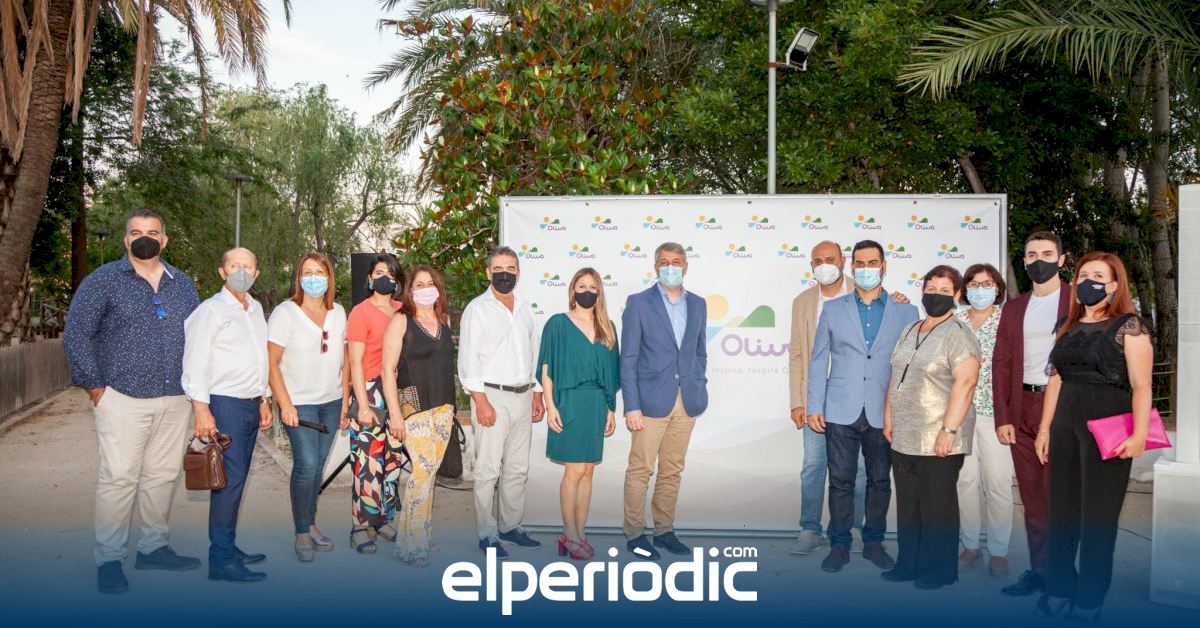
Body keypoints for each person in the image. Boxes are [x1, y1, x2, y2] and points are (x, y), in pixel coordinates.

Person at [63, 209, 203, 594]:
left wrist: (199, 394)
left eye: (153, 232)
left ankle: (153, 547)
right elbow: (76, 334)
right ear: (126, 239)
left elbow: (199, 337)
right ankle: (109, 559)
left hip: (174, 398)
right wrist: (96, 388)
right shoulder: (103, 281)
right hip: (121, 398)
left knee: (163, 476)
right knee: (119, 478)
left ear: (164, 240)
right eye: (137, 232)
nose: (145, 238)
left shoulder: (182, 284)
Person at [1034, 252, 1153, 621]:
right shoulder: (1066, 326)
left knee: (1097, 519)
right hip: (1065, 425)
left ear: (1114, 285)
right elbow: (1055, 380)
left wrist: (1140, 435)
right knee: (1061, 513)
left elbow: (1141, 385)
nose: (1088, 281)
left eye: (1098, 276)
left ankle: (1089, 600)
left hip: (1109, 425)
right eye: (1083, 274)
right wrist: (1044, 428)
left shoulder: (1129, 326)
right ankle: (1059, 588)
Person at [807, 239, 918, 573]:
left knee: (879, 481)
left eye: (873, 263)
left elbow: (910, 365)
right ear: (851, 267)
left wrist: (905, 410)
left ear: (884, 267)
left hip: (885, 410)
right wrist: (814, 405)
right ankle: (839, 544)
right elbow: (818, 360)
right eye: (860, 263)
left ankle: (873, 542)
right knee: (840, 481)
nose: (866, 269)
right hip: (840, 408)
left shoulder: (906, 311)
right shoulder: (833, 309)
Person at [789, 240, 899, 555]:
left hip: (860, 399)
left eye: (830, 258)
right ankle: (809, 529)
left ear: (842, 261)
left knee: (860, 470)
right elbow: (799, 355)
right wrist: (799, 401)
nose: (824, 265)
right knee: (813, 464)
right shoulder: (803, 302)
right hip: (817, 397)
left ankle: (853, 528)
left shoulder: (870, 294)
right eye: (817, 260)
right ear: (811, 265)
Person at [883, 265, 981, 590]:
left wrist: (948, 430)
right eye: (931, 288)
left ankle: (938, 571)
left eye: (944, 290)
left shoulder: (959, 334)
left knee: (937, 507)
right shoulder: (911, 328)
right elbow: (897, 372)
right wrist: (888, 415)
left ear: (956, 295)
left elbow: (966, 383)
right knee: (909, 505)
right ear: (922, 290)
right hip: (904, 435)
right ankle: (908, 564)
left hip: (939, 436)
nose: (935, 295)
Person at [182, 247, 272, 583]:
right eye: (234, 265)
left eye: (248, 266)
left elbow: (260, 359)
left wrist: (264, 399)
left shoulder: (256, 309)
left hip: (251, 402)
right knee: (227, 482)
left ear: (256, 273)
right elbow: (195, 361)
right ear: (222, 272)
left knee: (236, 481)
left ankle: (228, 547)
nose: (241, 271)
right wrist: (201, 409)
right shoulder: (210, 311)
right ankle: (220, 560)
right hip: (224, 404)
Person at [993, 231, 1072, 596]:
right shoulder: (1014, 308)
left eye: (1047, 253)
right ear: (1024, 261)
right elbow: (1002, 365)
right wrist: (1004, 417)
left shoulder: (1077, 301)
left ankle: (1064, 574)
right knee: (1033, 498)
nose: (1039, 260)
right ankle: (1040, 570)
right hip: (1022, 406)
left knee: (1061, 496)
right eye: (1032, 254)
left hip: (1064, 409)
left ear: (1062, 259)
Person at [620, 242, 709, 561]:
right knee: (640, 469)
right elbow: (628, 358)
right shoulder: (639, 303)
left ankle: (664, 530)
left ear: (686, 266)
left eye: (676, 261)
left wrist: (698, 382)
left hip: (687, 401)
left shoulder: (698, 304)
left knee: (672, 469)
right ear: (656, 266)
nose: (671, 267)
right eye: (664, 262)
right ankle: (634, 534)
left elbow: (700, 351)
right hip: (649, 402)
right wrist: (632, 405)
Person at [459, 246, 546, 559]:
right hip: (491, 397)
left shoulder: (524, 309)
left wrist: (537, 393)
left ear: (519, 272)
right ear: (488, 273)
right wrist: (480, 402)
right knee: (488, 469)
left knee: (517, 468)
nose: (505, 274)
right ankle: (487, 533)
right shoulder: (477, 310)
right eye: (498, 269)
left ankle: (510, 526)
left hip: (524, 396)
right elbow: (468, 359)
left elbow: (531, 355)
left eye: (510, 268)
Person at [267, 252, 349, 562]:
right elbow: (272, 363)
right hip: (299, 404)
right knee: (306, 464)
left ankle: (311, 523)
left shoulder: (339, 312)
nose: (314, 278)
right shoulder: (285, 313)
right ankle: (301, 531)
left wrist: (346, 400)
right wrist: (284, 404)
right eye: (307, 272)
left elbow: (345, 360)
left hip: (332, 401)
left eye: (319, 272)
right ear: (299, 278)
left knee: (319, 467)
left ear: (329, 277)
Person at [538, 268, 621, 560]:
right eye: (582, 286)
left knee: (588, 471)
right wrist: (550, 406)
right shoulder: (557, 324)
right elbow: (546, 368)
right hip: (569, 402)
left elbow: (611, 373)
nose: (587, 291)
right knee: (573, 471)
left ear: (600, 292)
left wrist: (610, 409)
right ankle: (569, 534)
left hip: (596, 404)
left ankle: (580, 533)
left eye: (593, 287)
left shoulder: (607, 327)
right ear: (573, 290)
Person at [381, 265, 457, 567]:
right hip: (413, 406)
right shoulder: (401, 321)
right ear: (410, 291)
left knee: (429, 473)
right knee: (422, 471)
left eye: (430, 283)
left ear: (438, 288)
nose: (426, 289)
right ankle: (412, 545)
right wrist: (395, 415)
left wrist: (451, 410)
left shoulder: (444, 320)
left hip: (443, 407)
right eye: (419, 284)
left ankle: (418, 535)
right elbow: (387, 370)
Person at [954, 263, 1014, 578]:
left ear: (998, 288)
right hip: (960, 413)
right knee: (965, 482)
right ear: (965, 289)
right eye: (974, 284)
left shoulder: (1008, 321)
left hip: (996, 415)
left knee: (998, 484)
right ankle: (970, 545)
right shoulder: (955, 321)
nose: (980, 289)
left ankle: (999, 550)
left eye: (987, 283)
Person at [345, 253, 405, 554]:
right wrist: (364, 404)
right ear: (369, 279)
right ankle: (359, 525)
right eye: (379, 273)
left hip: (395, 392)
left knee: (392, 461)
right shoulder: (360, 312)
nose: (385, 278)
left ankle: (382, 520)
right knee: (367, 463)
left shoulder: (403, 310)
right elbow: (354, 362)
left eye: (391, 274)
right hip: (369, 391)